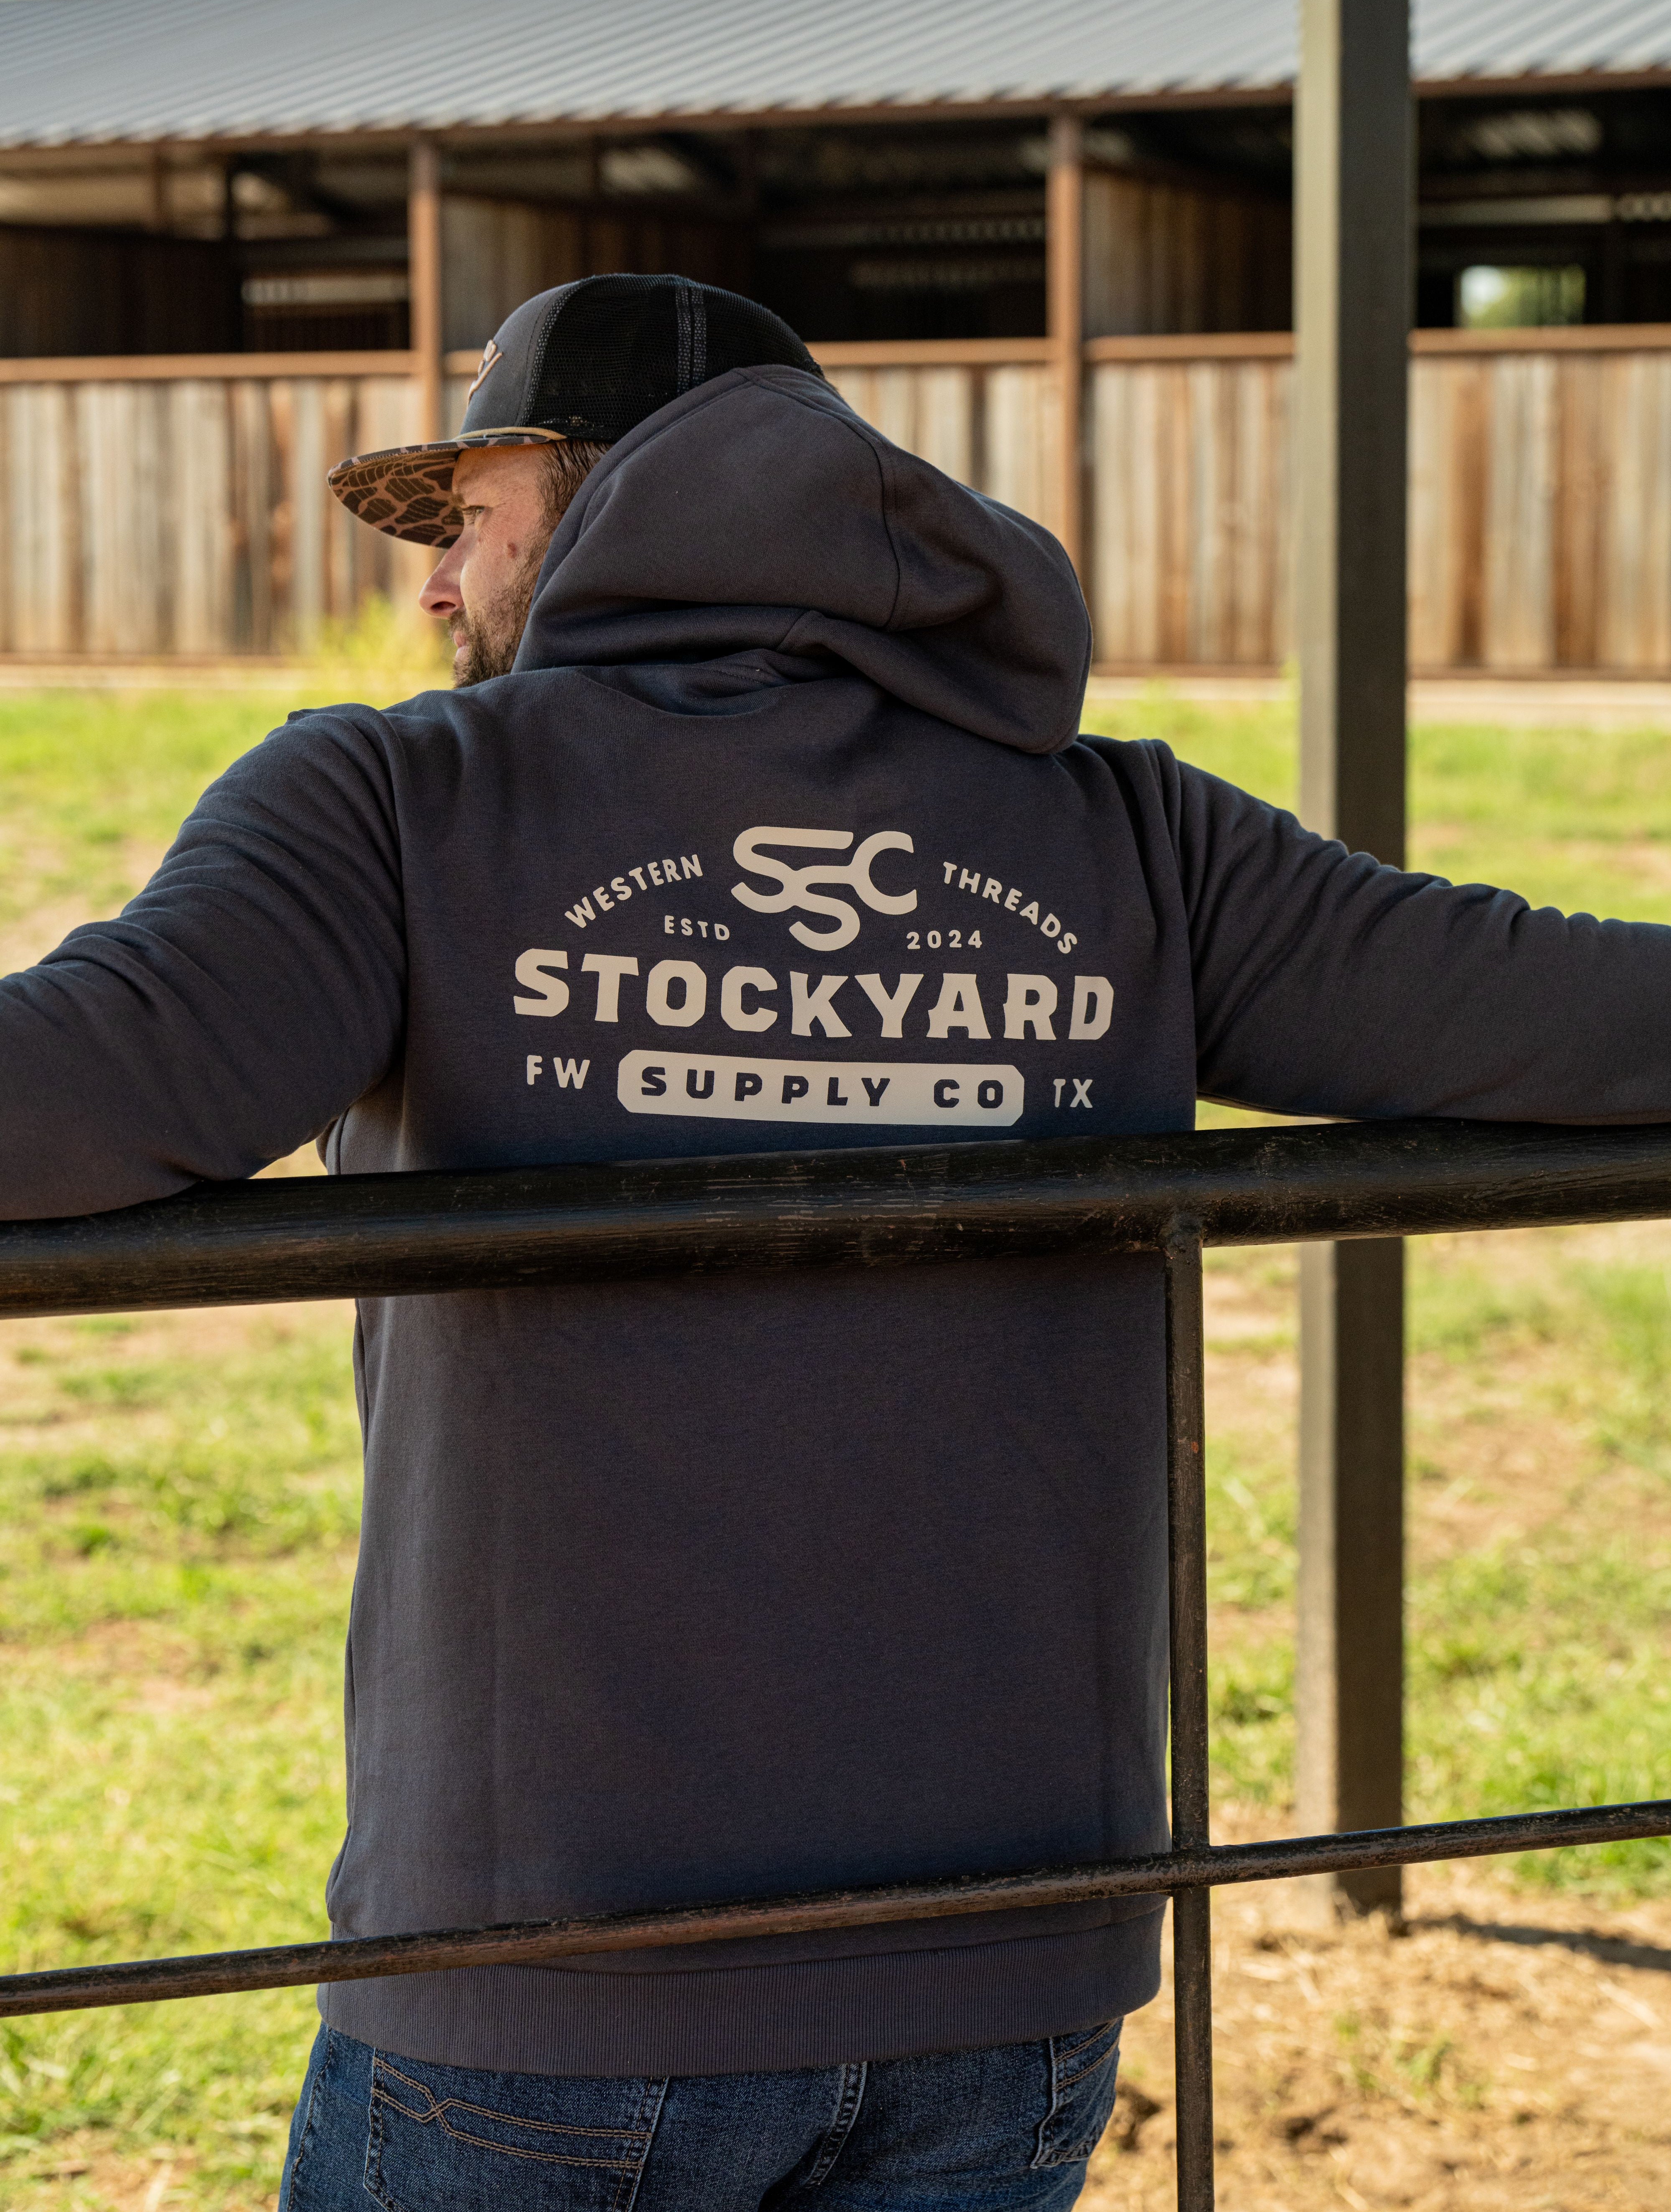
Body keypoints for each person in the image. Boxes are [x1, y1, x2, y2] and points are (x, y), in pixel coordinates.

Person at [3, 271, 1668, 2210]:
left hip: (555, 1975)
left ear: (615, 493)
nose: (437, 585)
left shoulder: (400, 802)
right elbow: (1567, 1013)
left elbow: (75, 1092)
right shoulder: (1130, 840)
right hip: (1020, 1960)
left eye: (472, 513)